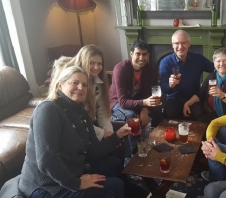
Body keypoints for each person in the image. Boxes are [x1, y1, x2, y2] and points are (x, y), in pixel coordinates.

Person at [19, 66, 130, 198]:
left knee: (114, 167)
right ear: (60, 85)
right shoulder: (48, 110)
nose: (80, 88)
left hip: (71, 173)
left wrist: (117, 135)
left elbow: (92, 150)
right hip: (45, 186)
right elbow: (47, 160)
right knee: (115, 186)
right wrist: (76, 183)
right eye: (75, 83)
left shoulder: (81, 113)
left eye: (84, 84)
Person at [51, 45, 128, 177]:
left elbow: (103, 111)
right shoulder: (75, 87)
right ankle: (107, 172)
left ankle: (121, 174)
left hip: (91, 122)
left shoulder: (99, 81)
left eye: (99, 64)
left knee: (119, 135)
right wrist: (102, 133)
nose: (96, 67)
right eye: (91, 63)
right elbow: (77, 121)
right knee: (110, 148)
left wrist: (108, 131)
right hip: (81, 127)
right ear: (83, 61)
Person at [110, 40, 162, 155]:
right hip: (117, 102)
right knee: (133, 117)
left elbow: (148, 91)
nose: (141, 58)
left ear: (148, 55)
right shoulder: (120, 69)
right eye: (138, 54)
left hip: (138, 101)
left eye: (144, 54)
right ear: (131, 54)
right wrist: (144, 103)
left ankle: (156, 141)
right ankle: (135, 153)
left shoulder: (149, 68)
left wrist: (145, 108)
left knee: (158, 108)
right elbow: (123, 102)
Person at [159, 30, 214, 120]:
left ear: (189, 44)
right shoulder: (165, 62)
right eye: (177, 43)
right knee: (168, 116)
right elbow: (164, 89)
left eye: (184, 43)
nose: (180, 47)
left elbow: (214, 69)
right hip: (174, 98)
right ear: (172, 45)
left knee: (200, 116)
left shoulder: (198, 58)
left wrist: (206, 86)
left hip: (193, 98)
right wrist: (170, 85)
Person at [183, 48, 226, 122]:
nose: (221, 64)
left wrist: (222, 95)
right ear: (214, 63)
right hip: (212, 113)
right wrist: (187, 103)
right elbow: (201, 93)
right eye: (218, 61)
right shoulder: (212, 75)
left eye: (225, 61)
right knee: (198, 122)